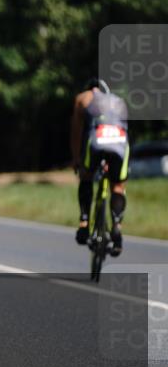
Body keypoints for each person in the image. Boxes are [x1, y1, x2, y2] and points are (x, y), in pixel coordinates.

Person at [71, 78, 129, 256]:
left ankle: (84, 222)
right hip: (120, 140)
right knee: (118, 186)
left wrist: (76, 159)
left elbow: (77, 131)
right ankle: (117, 226)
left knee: (86, 176)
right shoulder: (119, 101)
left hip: (97, 138)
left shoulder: (83, 98)